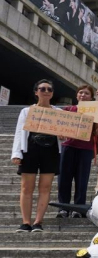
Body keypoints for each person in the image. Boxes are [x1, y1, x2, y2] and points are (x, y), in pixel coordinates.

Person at [11, 80, 62, 232]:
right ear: (36, 92)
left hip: (51, 150)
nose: (46, 91)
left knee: (45, 187)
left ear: (52, 93)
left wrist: (63, 134)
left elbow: (66, 132)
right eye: (42, 88)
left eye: (49, 89)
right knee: (27, 187)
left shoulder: (59, 113)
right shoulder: (27, 111)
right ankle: (26, 222)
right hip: (30, 149)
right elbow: (20, 132)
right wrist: (16, 152)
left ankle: (38, 221)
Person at [57, 85, 98, 218]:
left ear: (91, 97)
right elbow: (59, 128)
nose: (83, 95)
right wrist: (60, 133)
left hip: (85, 149)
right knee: (64, 178)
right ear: (76, 95)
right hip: (68, 147)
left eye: (86, 93)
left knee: (82, 179)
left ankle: (79, 207)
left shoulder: (95, 113)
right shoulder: (68, 110)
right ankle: (63, 207)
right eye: (80, 92)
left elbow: (97, 132)